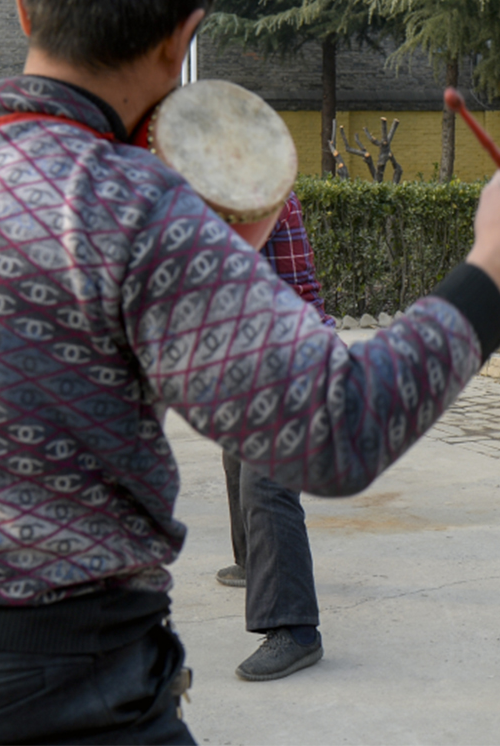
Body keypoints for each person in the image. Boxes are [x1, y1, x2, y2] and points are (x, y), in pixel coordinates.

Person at [0, 0, 500, 746]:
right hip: (38, 687)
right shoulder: (131, 202)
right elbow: (338, 427)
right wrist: (499, 265)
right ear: (184, 37)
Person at [218, 194, 335, 682]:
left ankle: (296, 628)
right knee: (234, 459)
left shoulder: (262, 197)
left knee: (265, 485)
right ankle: (254, 565)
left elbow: (296, 289)